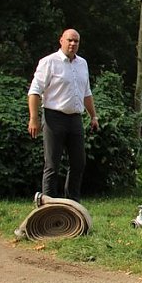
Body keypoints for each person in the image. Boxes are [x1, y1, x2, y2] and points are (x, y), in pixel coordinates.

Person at [27, 29, 100, 202]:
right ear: (61, 41)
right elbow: (35, 91)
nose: (73, 44)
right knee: (52, 164)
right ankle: (48, 205)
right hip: (54, 117)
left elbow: (86, 93)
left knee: (78, 163)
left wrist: (93, 116)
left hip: (75, 119)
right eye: (69, 40)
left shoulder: (82, 64)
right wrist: (34, 118)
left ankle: (72, 203)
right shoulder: (49, 62)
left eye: (76, 41)